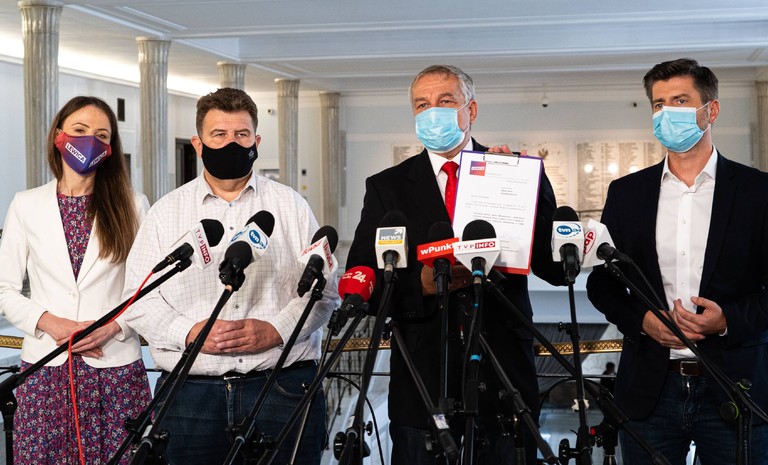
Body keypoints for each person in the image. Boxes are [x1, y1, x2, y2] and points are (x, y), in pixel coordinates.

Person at [345, 64, 565, 465]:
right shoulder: (386, 187)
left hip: (503, 376)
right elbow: (365, 280)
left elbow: (553, 269)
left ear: (471, 110)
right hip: (423, 381)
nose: (433, 112)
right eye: (422, 104)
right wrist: (422, 285)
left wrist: (523, 190)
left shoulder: (514, 170)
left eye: (445, 101)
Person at [123, 87, 339, 465]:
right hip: (190, 395)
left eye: (241, 134)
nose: (231, 143)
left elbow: (325, 290)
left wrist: (276, 330)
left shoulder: (290, 205)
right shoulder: (165, 212)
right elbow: (138, 298)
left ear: (257, 141)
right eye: (219, 135)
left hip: (281, 387)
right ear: (198, 144)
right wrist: (190, 333)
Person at [586, 58, 768, 464]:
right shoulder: (627, 193)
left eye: (681, 101)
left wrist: (727, 320)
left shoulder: (758, 191)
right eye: (659, 104)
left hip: (736, 386)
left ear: (711, 110)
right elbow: (602, 282)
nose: (667, 112)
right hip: (650, 391)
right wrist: (643, 321)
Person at [0, 96, 152, 464]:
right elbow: (4, 289)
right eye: (80, 130)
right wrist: (50, 322)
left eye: (101, 135)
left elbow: (148, 289)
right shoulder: (26, 204)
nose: (90, 142)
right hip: (46, 368)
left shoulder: (133, 205)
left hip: (115, 367)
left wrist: (114, 327)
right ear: (59, 136)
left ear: (111, 148)